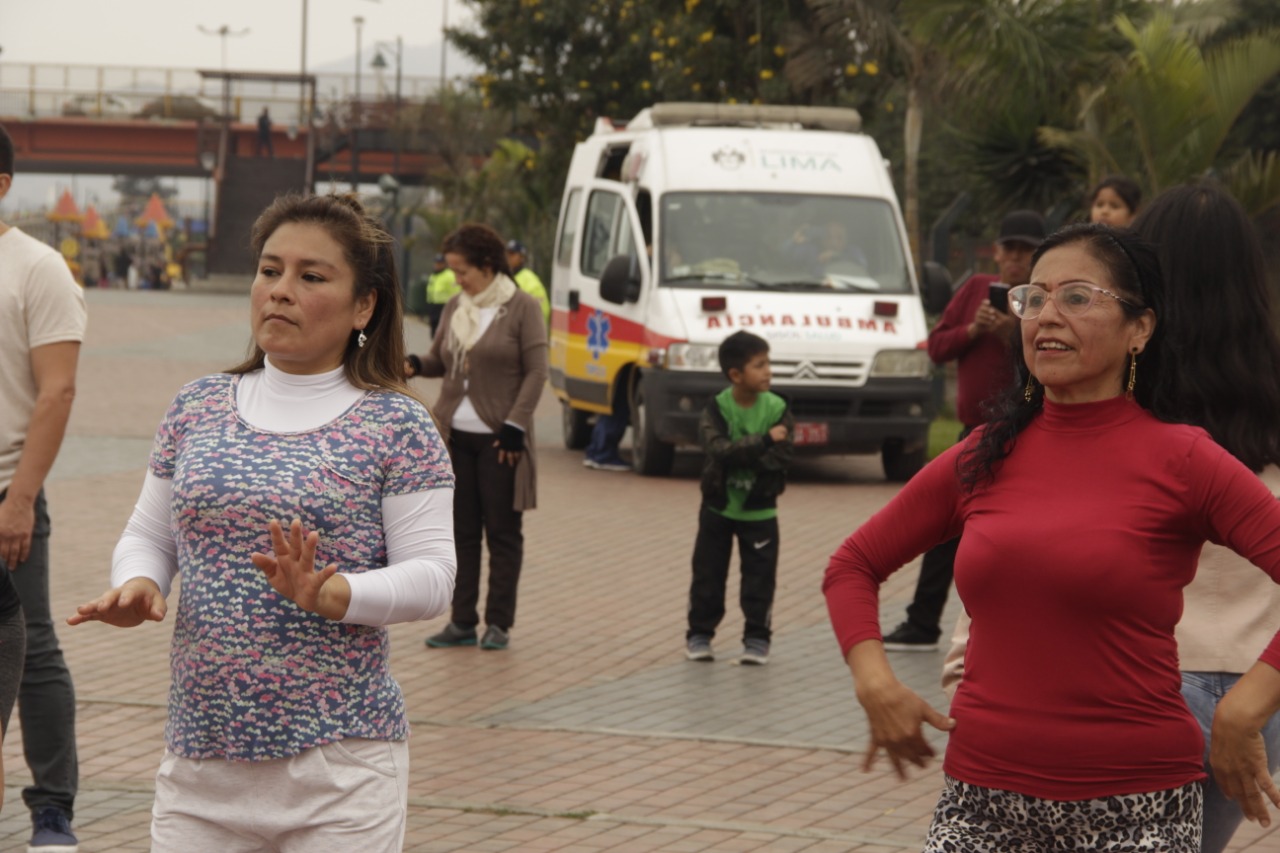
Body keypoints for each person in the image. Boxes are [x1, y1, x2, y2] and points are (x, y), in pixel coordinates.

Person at [824, 222, 1280, 851]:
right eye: (1033, 299)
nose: (1046, 316)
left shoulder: (1182, 458)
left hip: (1137, 806)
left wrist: (1247, 703)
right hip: (981, 800)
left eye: (1076, 297)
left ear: (1139, 329)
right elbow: (852, 564)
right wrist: (873, 678)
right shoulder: (984, 455)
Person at [67, 192, 457, 852]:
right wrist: (138, 581)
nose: (280, 291)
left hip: (338, 769)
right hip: (200, 762)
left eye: (311, 276)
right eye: (270, 270)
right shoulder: (197, 405)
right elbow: (150, 533)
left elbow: (436, 577)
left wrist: (338, 596)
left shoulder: (396, 424)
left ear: (364, 305)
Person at [881, 209, 1044, 651]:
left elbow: (1053, 359)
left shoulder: (1043, 299)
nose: (1015, 258)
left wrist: (1014, 333)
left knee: (1014, 537)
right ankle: (922, 622)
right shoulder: (974, 289)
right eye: (1009, 248)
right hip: (973, 431)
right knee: (944, 526)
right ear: (996, 250)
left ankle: (1015, 626)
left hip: (1027, 432)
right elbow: (936, 347)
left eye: (1026, 251)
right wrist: (974, 330)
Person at [0, 123, 87, 853]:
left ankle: (52, 809)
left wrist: (22, 497)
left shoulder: (37, 268)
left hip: (6, 493)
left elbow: (57, 392)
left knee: (31, 651)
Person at [409, 224, 548, 652]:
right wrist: (414, 363)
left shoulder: (522, 307)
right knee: (461, 534)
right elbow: (441, 361)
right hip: (453, 438)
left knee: (503, 533)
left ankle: (499, 623)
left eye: (462, 270)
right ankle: (462, 621)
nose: (457, 279)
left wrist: (514, 426)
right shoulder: (456, 306)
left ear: (487, 266)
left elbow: (537, 372)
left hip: (499, 440)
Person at [685, 330, 794, 666]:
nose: (768, 371)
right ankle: (699, 635)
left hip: (760, 512)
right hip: (718, 507)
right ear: (735, 375)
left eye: (768, 362)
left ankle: (757, 639)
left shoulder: (778, 408)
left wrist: (742, 452)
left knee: (760, 578)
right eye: (759, 365)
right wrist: (762, 442)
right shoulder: (716, 407)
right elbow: (716, 450)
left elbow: (783, 455)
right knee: (708, 575)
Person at [505, 239, 550, 325]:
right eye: (507, 254)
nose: (508, 257)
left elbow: (542, 310)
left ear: (522, 258)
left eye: (512, 254)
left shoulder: (530, 280)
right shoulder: (503, 278)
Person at [423, 252, 459, 337]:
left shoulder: (450, 276)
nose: (437, 265)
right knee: (434, 332)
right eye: (436, 263)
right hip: (433, 306)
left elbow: (456, 292)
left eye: (440, 263)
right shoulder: (434, 275)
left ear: (444, 264)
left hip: (444, 306)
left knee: (443, 332)